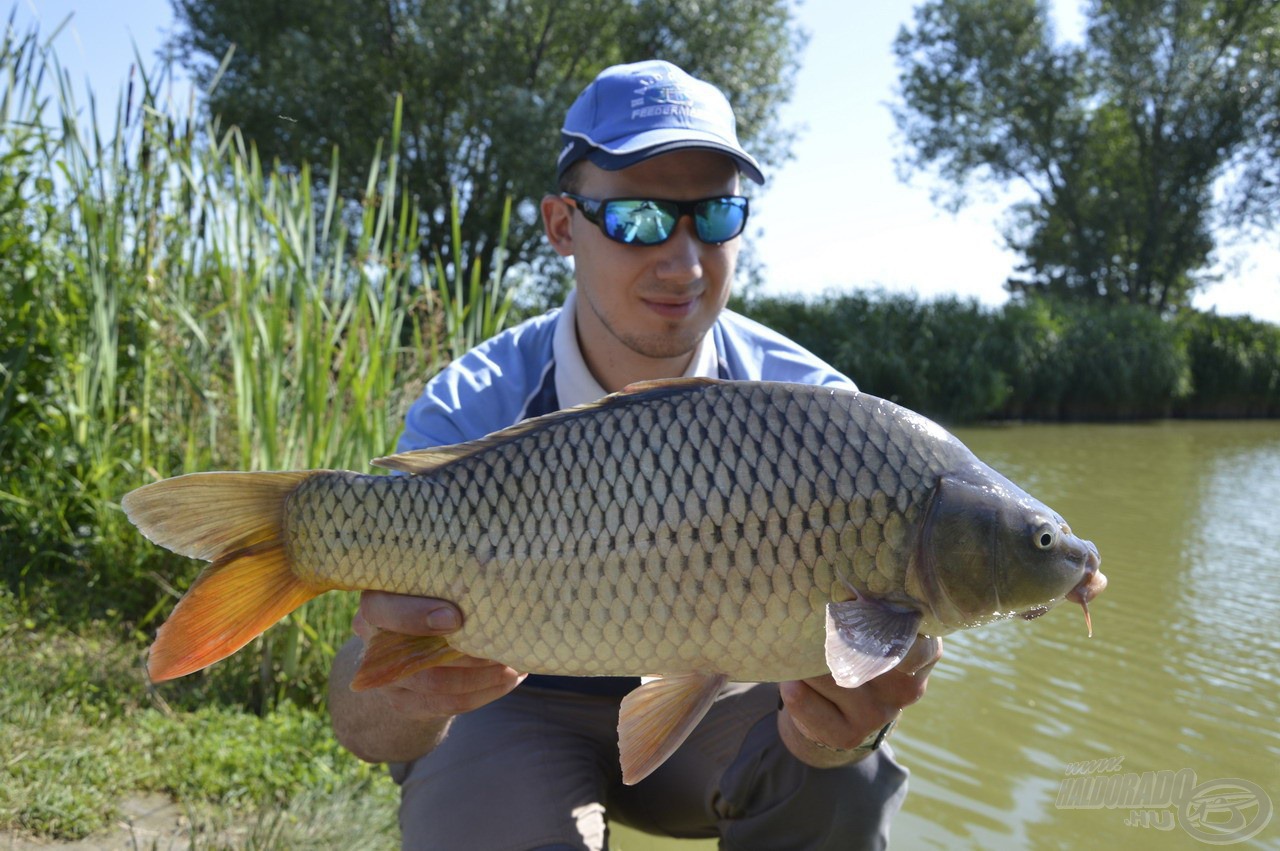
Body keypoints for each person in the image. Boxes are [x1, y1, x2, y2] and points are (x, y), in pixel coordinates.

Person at [328, 59, 942, 851]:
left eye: (714, 216)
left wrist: (840, 733)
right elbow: (364, 722)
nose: (684, 263)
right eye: (640, 218)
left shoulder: (820, 413)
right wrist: (405, 696)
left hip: (724, 698)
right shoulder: (471, 408)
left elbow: (858, 673)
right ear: (561, 225)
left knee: (846, 774)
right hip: (511, 700)